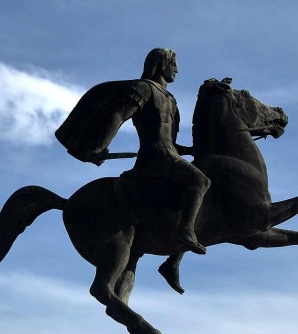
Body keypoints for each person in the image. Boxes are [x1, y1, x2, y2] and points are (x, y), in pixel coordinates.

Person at [55, 48, 210, 255]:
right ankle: (185, 230)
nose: (178, 70)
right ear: (161, 64)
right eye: (174, 64)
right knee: (201, 181)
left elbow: (171, 142)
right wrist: (101, 146)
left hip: (168, 153)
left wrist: (195, 150)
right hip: (155, 157)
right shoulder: (144, 88)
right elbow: (118, 115)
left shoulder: (171, 99)